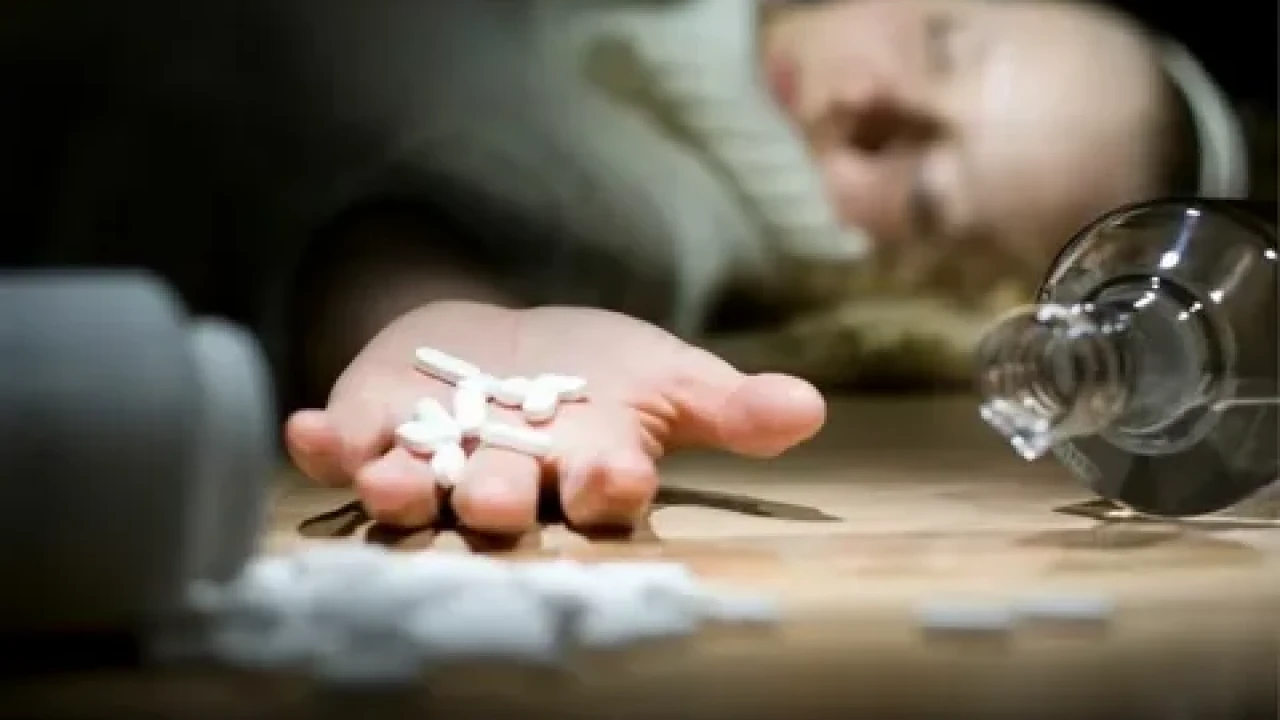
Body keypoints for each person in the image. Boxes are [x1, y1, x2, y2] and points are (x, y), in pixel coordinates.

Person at [0, 0, 1245, 534]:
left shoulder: (669, 212)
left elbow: (433, 192)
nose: (872, 100)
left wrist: (445, 323)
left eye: (923, 194)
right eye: (941, 40)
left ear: (912, 294)